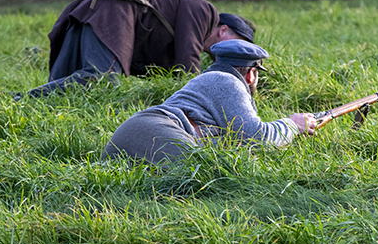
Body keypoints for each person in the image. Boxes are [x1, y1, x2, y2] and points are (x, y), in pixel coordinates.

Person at [0, 0, 255, 98]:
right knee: (101, 81)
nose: (237, 55)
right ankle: (9, 100)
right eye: (239, 45)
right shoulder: (206, 11)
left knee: (63, 92)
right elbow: (187, 69)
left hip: (91, 14)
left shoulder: (187, 29)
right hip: (111, 14)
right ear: (224, 29)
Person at [101, 39, 318, 166]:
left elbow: (235, 142)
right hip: (153, 131)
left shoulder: (207, 79)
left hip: (133, 135)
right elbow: (257, 138)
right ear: (251, 74)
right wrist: (292, 125)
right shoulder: (228, 82)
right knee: (206, 171)